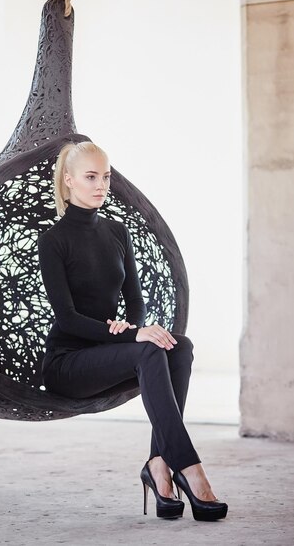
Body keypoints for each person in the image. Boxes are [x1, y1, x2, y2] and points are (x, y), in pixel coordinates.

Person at [37, 140, 228, 522]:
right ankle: (190, 469)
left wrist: (133, 325)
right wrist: (130, 335)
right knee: (147, 349)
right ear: (69, 181)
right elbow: (68, 319)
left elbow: (135, 301)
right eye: (91, 177)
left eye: (105, 176)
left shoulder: (117, 232)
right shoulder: (53, 241)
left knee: (180, 346)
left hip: (106, 353)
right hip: (69, 363)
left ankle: (158, 465)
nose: (100, 185)